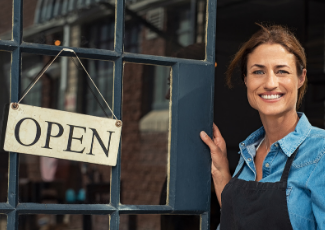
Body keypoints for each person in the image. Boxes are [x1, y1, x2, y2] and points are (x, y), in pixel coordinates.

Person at [200, 24, 325, 230]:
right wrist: (221, 173)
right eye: (258, 71)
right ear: (246, 79)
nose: (270, 83)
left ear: (301, 78)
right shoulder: (248, 154)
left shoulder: (320, 153)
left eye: (282, 71)